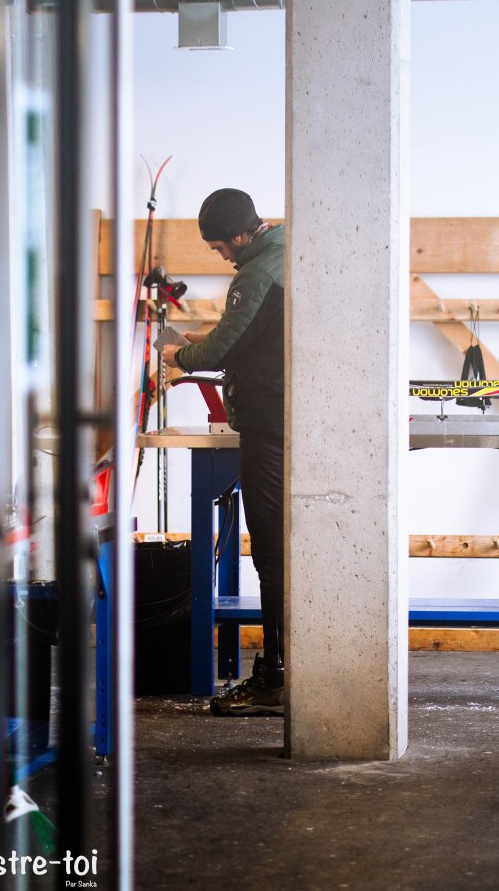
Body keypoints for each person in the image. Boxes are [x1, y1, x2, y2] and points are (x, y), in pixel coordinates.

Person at [161, 188, 285, 717]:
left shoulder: (255, 271)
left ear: (237, 236)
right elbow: (252, 332)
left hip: (269, 425)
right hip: (288, 421)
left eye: (219, 248)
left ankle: (275, 677)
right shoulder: (285, 252)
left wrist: (177, 354)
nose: (222, 256)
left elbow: (221, 349)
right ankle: (282, 670)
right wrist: (204, 337)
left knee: (271, 550)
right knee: (280, 548)